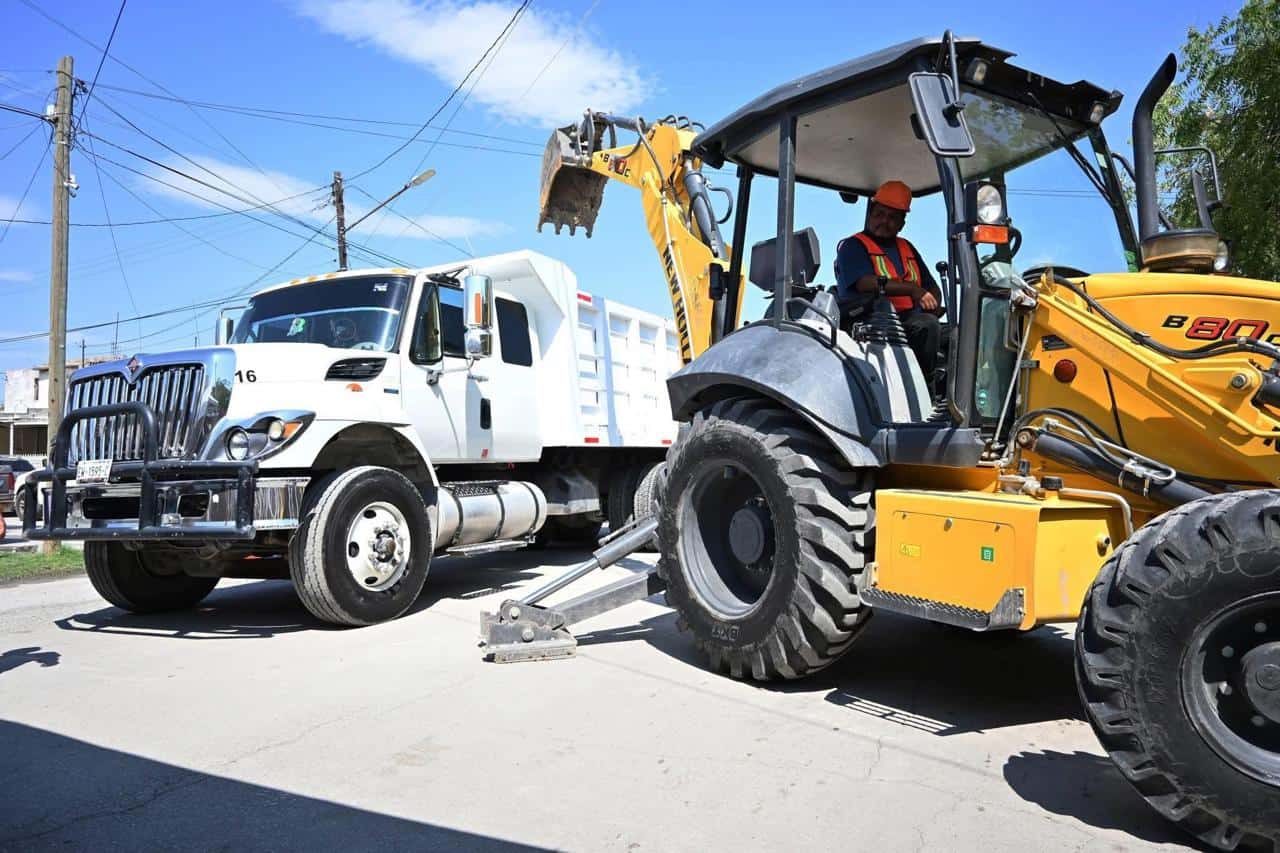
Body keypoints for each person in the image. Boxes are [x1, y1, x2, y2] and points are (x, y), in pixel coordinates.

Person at [834, 180, 949, 384]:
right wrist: (913, 290)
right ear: (870, 214)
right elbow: (863, 283)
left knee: (958, 336)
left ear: (902, 224)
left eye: (892, 218)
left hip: (909, 321)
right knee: (927, 326)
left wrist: (933, 303)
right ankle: (924, 388)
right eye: (879, 214)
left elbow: (930, 285)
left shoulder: (907, 248)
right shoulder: (853, 246)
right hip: (874, 323)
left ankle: (952, 396)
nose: (884, 221)